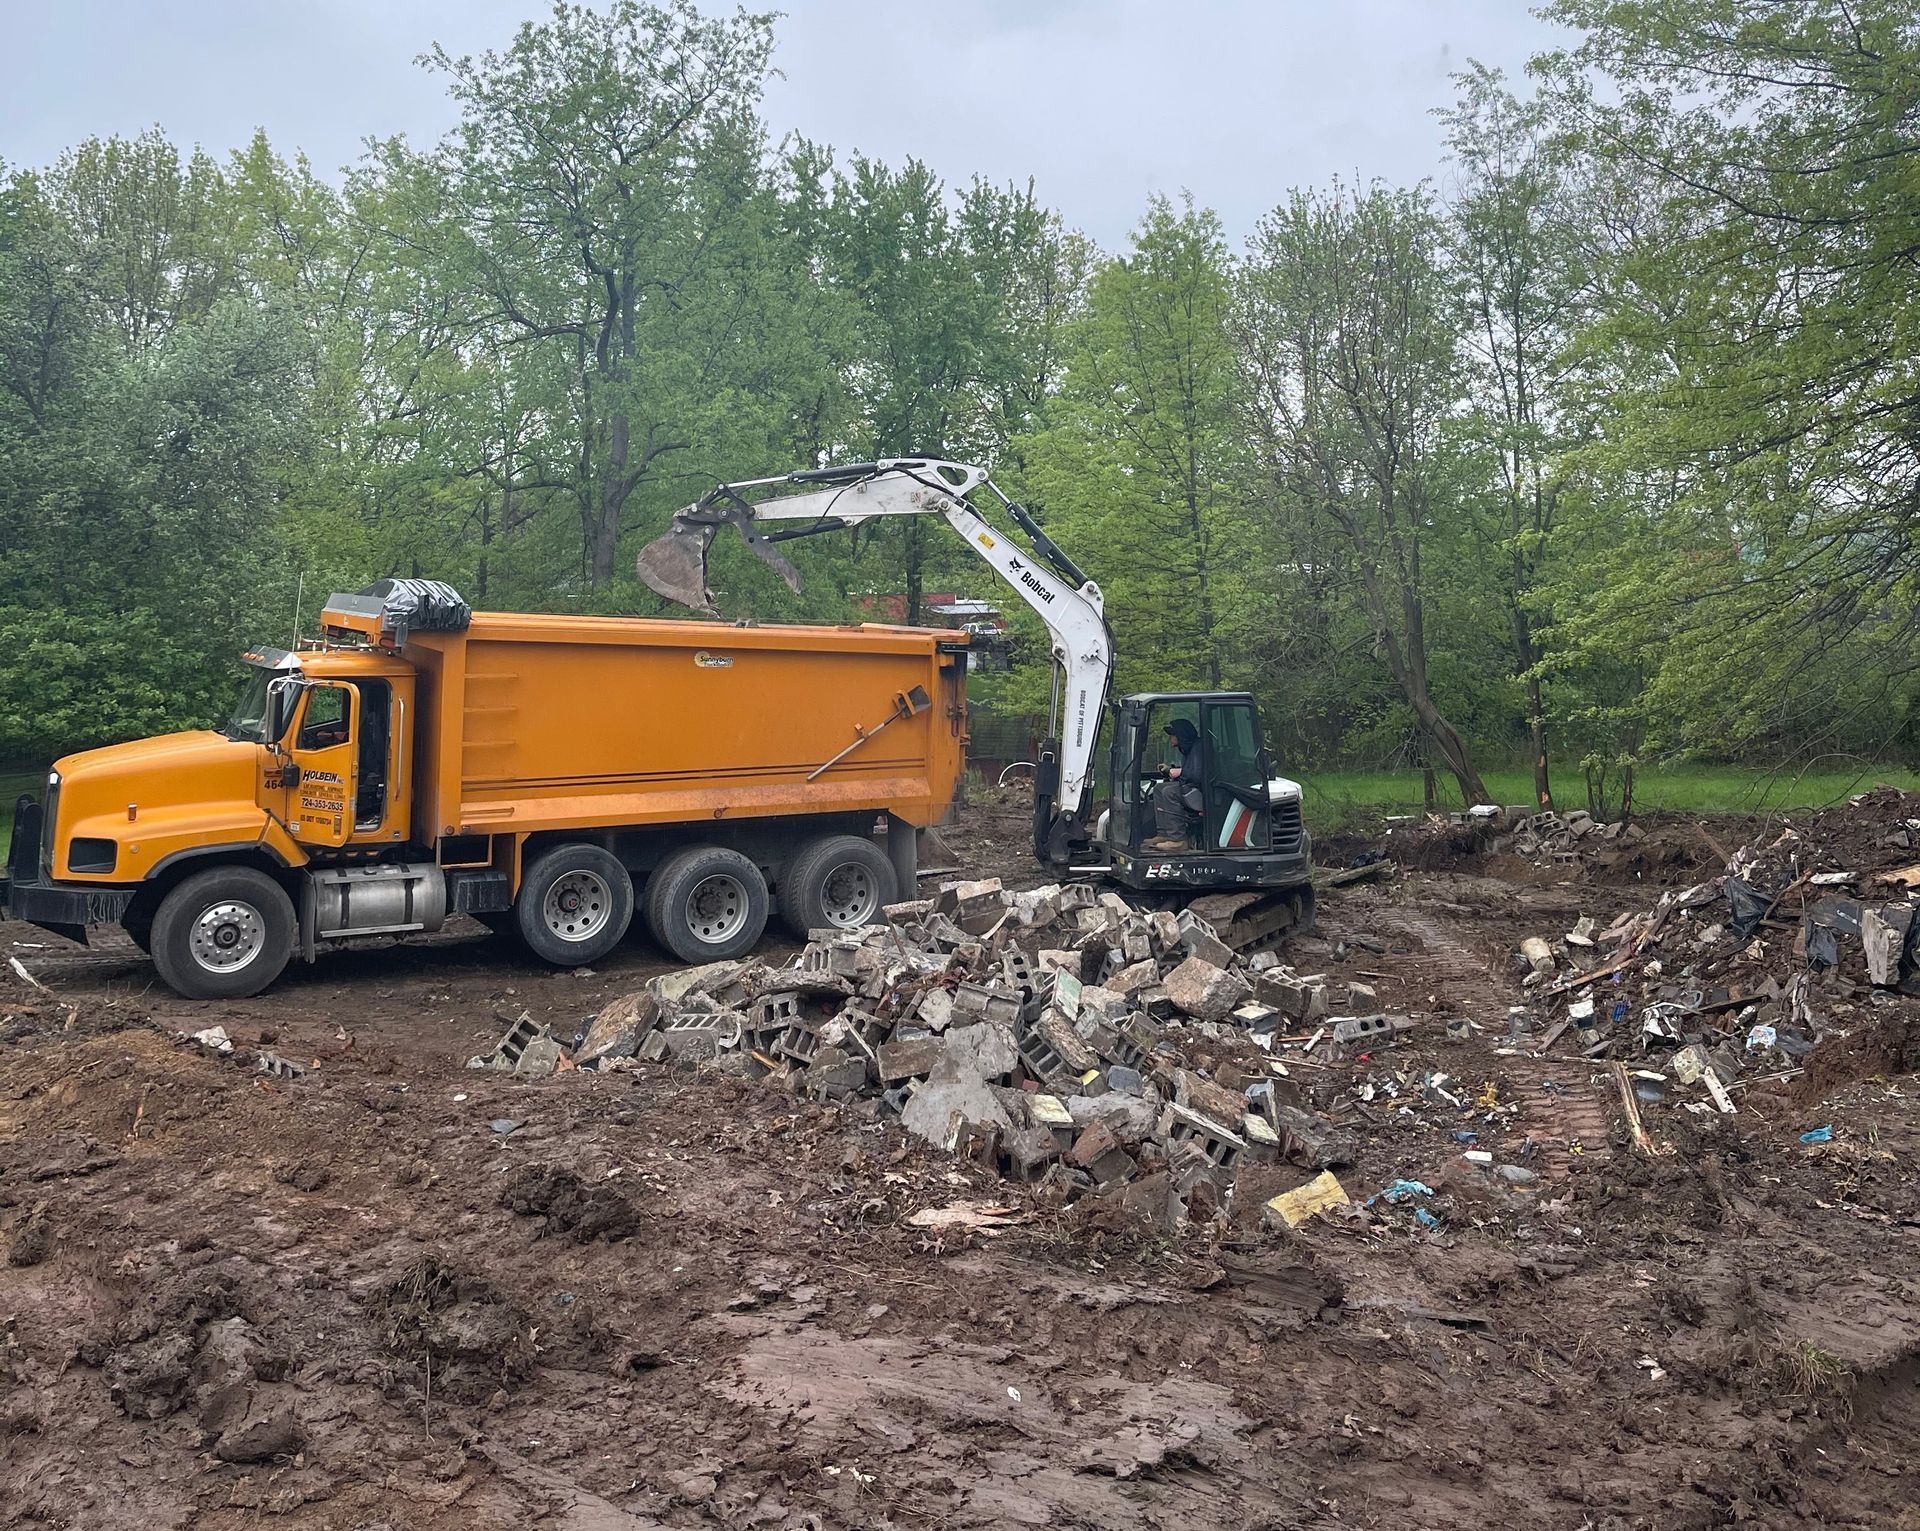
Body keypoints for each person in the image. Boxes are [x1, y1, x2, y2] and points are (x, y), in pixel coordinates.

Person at [1146, 718, 1203, 850]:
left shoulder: (1198, 748)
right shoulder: (1189, 749)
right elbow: (1189, 770)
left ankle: (1179, 840)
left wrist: (1178, 772)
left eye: (1172, 735)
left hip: (1202, 791)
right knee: (1159, 789)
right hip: (1192, 787)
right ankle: (1165, 833)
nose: (1170, 738)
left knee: (1169, 792)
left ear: (1181, 735)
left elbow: (1197, 774)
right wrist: (1170, 770)